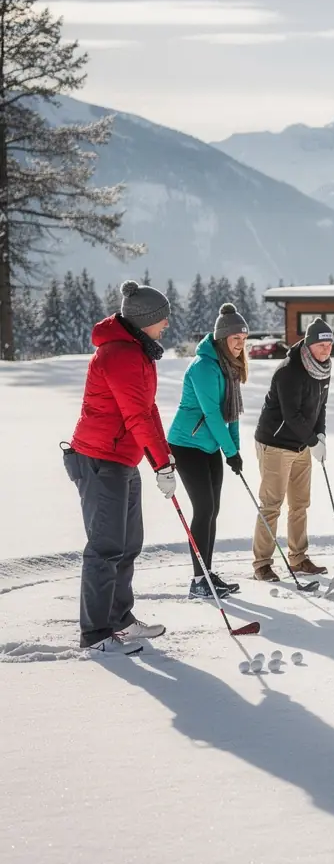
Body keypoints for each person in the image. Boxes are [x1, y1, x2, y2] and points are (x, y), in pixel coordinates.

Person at [63, 280, 176, 654]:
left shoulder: (138, 351)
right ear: (144, 320)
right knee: (105, 547)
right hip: (100, 459)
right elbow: (136, 415)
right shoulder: (120, 355)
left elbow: (148, 409)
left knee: (128, 545)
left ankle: (119, 619)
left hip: (121, 458)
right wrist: (160, 464)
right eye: (162, 318)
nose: (166, 324)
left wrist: (164, 458)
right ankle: (96, 634)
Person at [168, 303, 250, 599]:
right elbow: (213, 414)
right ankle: (198, 580)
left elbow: (232, 414)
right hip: (186, 444)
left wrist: (234, 450)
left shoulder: (229, 366)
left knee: (212, 510)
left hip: (210, 445)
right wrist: (228, 451)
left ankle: (207, 573)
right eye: (235, 338)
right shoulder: (203, 366)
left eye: (243, 339)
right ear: (221, 338)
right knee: (203, 509)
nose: (240, 344)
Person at [250, 316, 334, 580]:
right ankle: (262, 564)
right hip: (275, 443)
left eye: (329, 345)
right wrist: (313, 442)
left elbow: (320, 407)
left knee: (300, 504)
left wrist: (320, 435)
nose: (326, 350)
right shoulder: (290, 371)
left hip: (302, 444)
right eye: (321, 345)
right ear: (308, 344)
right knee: (271, 504)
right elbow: (291, 415)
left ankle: (298, 558)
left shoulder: (323, 369)